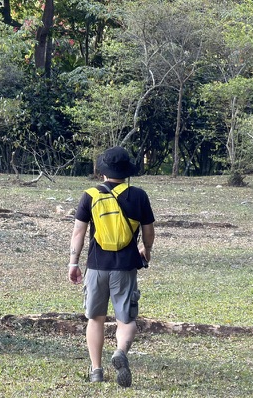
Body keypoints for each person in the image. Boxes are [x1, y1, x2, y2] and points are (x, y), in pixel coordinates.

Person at [68, 146, 155, 386]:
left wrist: (73, 262)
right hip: (125, 267)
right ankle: (120, 352)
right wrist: (145, 250)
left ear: (103, 172)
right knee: (125, 319)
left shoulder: (90, 195)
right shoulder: (138, 195)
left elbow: (78, 232)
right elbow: (148, 232)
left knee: (95, 319)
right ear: (127, 172)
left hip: (96, 266)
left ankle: (96, 370)